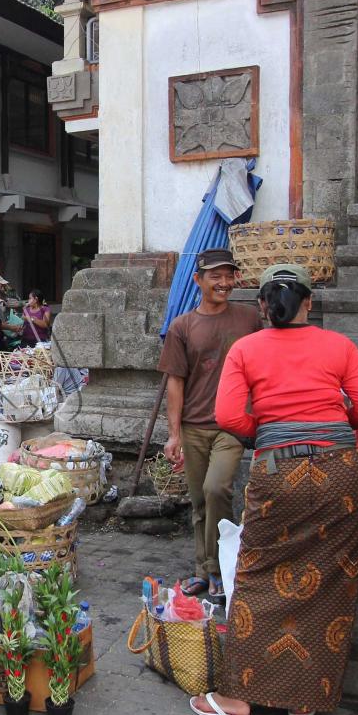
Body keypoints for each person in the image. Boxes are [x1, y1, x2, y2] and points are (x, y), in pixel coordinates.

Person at [191, 264, 358, 715]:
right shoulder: (338, 345)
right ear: (309, 304)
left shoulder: (247, 348)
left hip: (279, 472)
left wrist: (274, 433)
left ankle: (238, 699)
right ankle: (304, 700)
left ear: (262, 306)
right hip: (342, 471)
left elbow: (229, 417)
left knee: (258, 573)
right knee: (330, 581)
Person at [159, 249, 263, 598]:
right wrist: (173, 435)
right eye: (215, 276)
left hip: (232, 425)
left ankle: (218, 567)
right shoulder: (182, 326)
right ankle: (206, 570)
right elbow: (176, 382)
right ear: (198, 280)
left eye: (228, 275)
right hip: (193, 426)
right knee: (199, 502)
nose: (224, 282)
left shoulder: (249, 319)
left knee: (217, 489)